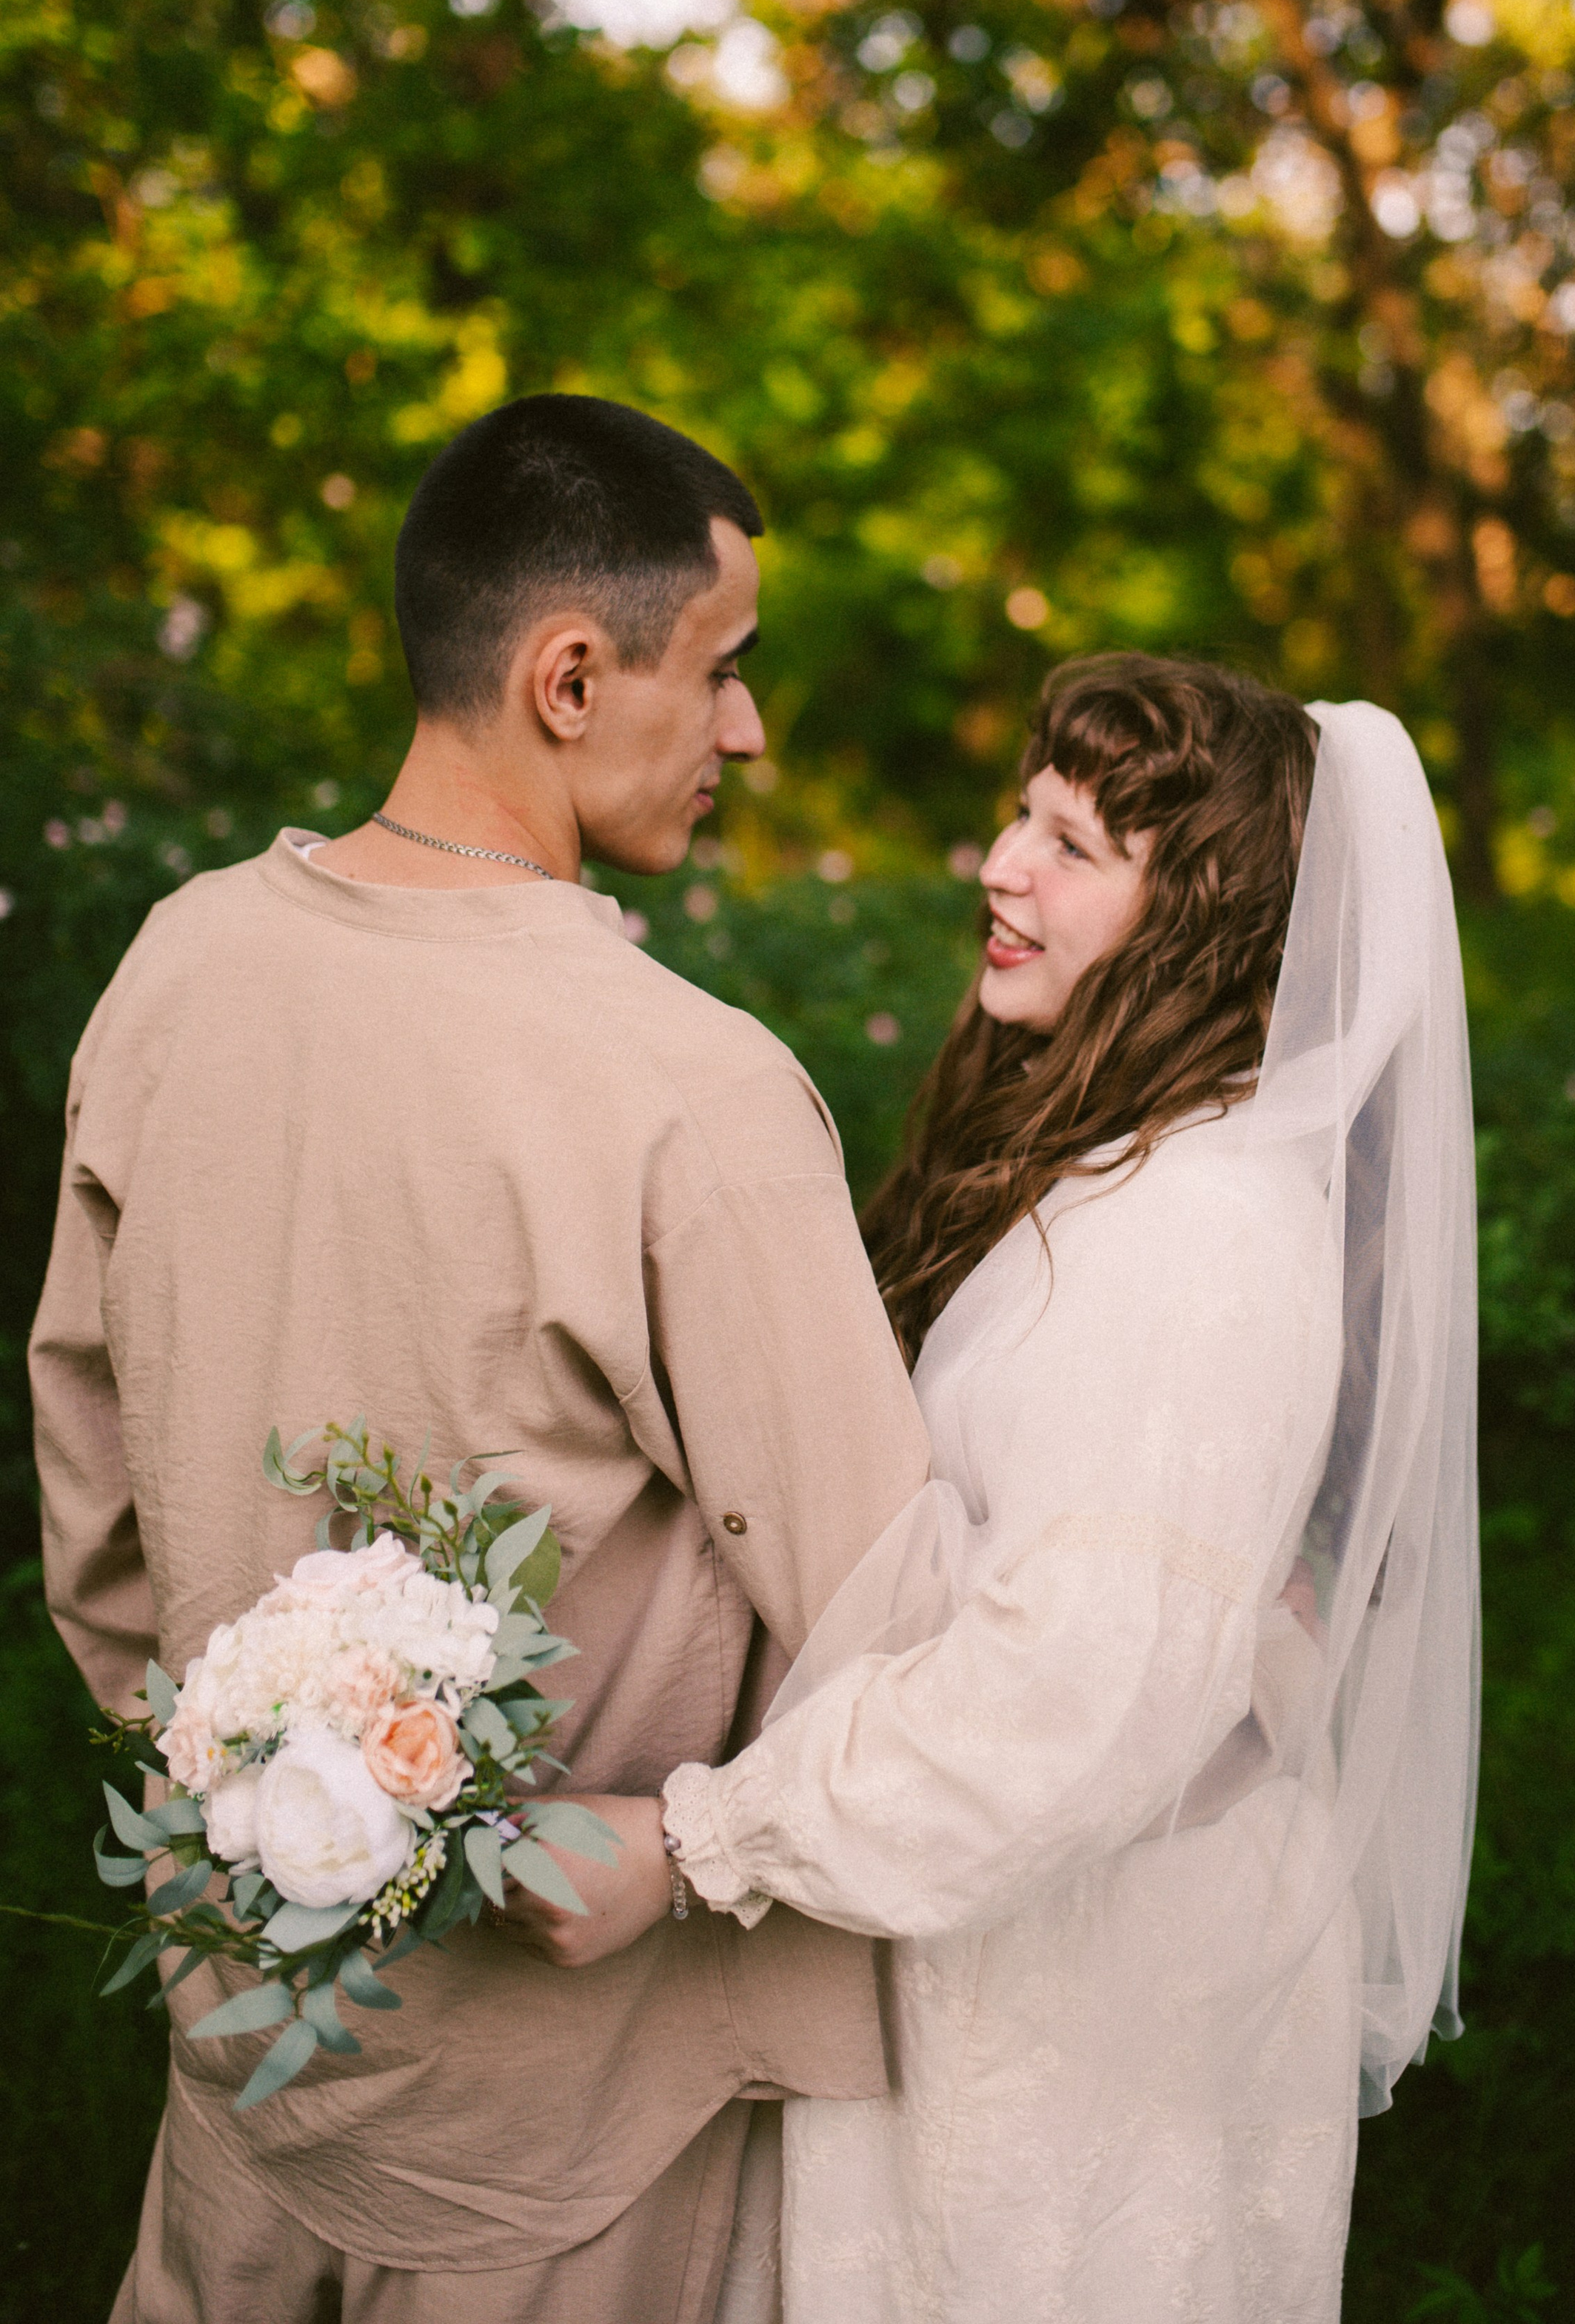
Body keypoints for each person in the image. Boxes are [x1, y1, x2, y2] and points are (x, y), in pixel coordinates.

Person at [28, 394, 930, 2324]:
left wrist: (266, 1818)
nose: (752, 732)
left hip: (247, 2036)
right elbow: (888, 1617)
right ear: (573, 676)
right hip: (568, 2127)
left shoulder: (178, 966)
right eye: (729, 670)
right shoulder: (696, 1092)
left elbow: (95, 1518)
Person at [649, 654, 1481, 2324]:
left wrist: (701, 1842)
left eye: (1070, 840)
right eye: (1017, 814)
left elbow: (1070, 1691)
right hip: (1031, 1942)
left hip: (1091, 2006)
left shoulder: (1200, 1235)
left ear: (1206, 919)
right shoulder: (1122, 1162)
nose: (998, 865)